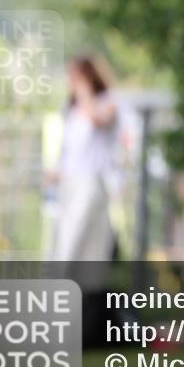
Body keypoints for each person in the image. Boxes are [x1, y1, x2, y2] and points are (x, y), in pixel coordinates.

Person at [47, 54, 119, 345]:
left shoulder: (107, 102)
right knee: (64, 253)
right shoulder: (72, 110)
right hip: (70, 186)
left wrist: (86, 94)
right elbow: (70, 151)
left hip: (92, 187)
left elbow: (100, 122)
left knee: (88, 257)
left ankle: (84, 329)